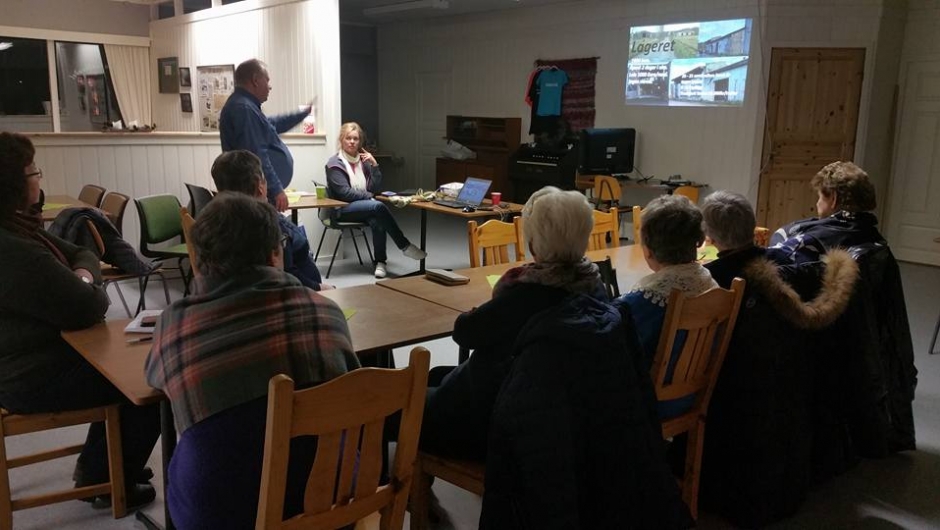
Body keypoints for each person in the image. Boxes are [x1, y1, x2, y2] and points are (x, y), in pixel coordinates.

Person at [471, 187, 692, 529]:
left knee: (431, 393)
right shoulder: (597, 290)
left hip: (526, 417)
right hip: (602, 415)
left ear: (531, 245)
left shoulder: (521, 294)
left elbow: (469, 332)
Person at [145, 193, 359, 529]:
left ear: (200, 260)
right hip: (330, 496)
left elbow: (154, 379)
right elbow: (352, 394)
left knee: (181, 460)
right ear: (276, 253)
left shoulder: (175, 325)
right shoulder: (325, 312)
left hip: (222, 512)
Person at [0, 132, 160, 510]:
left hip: (28, 360)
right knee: (149, 377)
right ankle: (105, 480)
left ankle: (107, 464)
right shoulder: (15, 251)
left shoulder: (19, 230)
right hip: (30, 376)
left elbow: (81, 253)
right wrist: (86, 279)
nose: (39, 178)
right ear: (13, 184)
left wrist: (83, 273)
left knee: (125, 360)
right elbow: (89, 306)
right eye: (33, 171)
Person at [698, 190, 858, 528]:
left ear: (709, 237)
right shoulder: (796, 267)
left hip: (737, 404)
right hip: (792, 398)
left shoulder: (716, 281)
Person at [769, 162, 917, 474]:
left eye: (820, 198)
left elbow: (772, 278)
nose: (817, 205)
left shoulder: (807, 240)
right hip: (855, 347)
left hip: (815, 340)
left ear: (833, 199)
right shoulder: (875, 242)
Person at [210, 150, 331, 290]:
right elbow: (288, 276)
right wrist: (321, 288)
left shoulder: (217, 224)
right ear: (259, 186)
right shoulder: (269, 226)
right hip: (298, 297)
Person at [325, 122, 426, 278]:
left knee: (377, 218)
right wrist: (369, 197)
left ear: (360, 142)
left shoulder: (363, 161)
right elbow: (344, 193)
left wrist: (374, 165)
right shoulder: (334, 164)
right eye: (348, 138)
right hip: (342, 210)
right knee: (378, 207)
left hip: (364, 207)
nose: (352, 142)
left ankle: (380, 263)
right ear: (341, 140)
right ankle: (404, 245)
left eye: (356, 139)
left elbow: (373, 188)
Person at [219, 58, 311, 212]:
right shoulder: (244, 109)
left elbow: (273, 124)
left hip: (257, 193)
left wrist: (301, 115)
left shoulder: (246, 106)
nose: (270, 86)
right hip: (256, 195)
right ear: (255, 80)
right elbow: (256, 155)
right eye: (267, 80)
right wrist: (276, 190)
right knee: (292, 235)